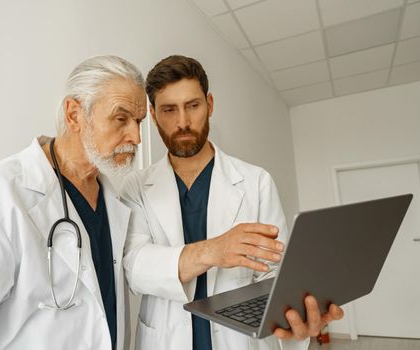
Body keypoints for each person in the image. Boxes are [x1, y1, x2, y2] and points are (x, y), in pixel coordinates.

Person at [121, 55, 344, 350]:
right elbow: (134, 269)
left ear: (209, 104)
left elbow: (276, 272)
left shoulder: (255, 181)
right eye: (169, 110)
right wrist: (213, 250)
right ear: (152, 113)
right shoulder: (135, 187)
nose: (183, 122)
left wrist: (297, 316)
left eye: (193, 106)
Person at [0, 55, 147, 350]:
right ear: (74, 115)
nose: (136, 136)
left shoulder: (111, 200)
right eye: (121, 118)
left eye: (139, 121)